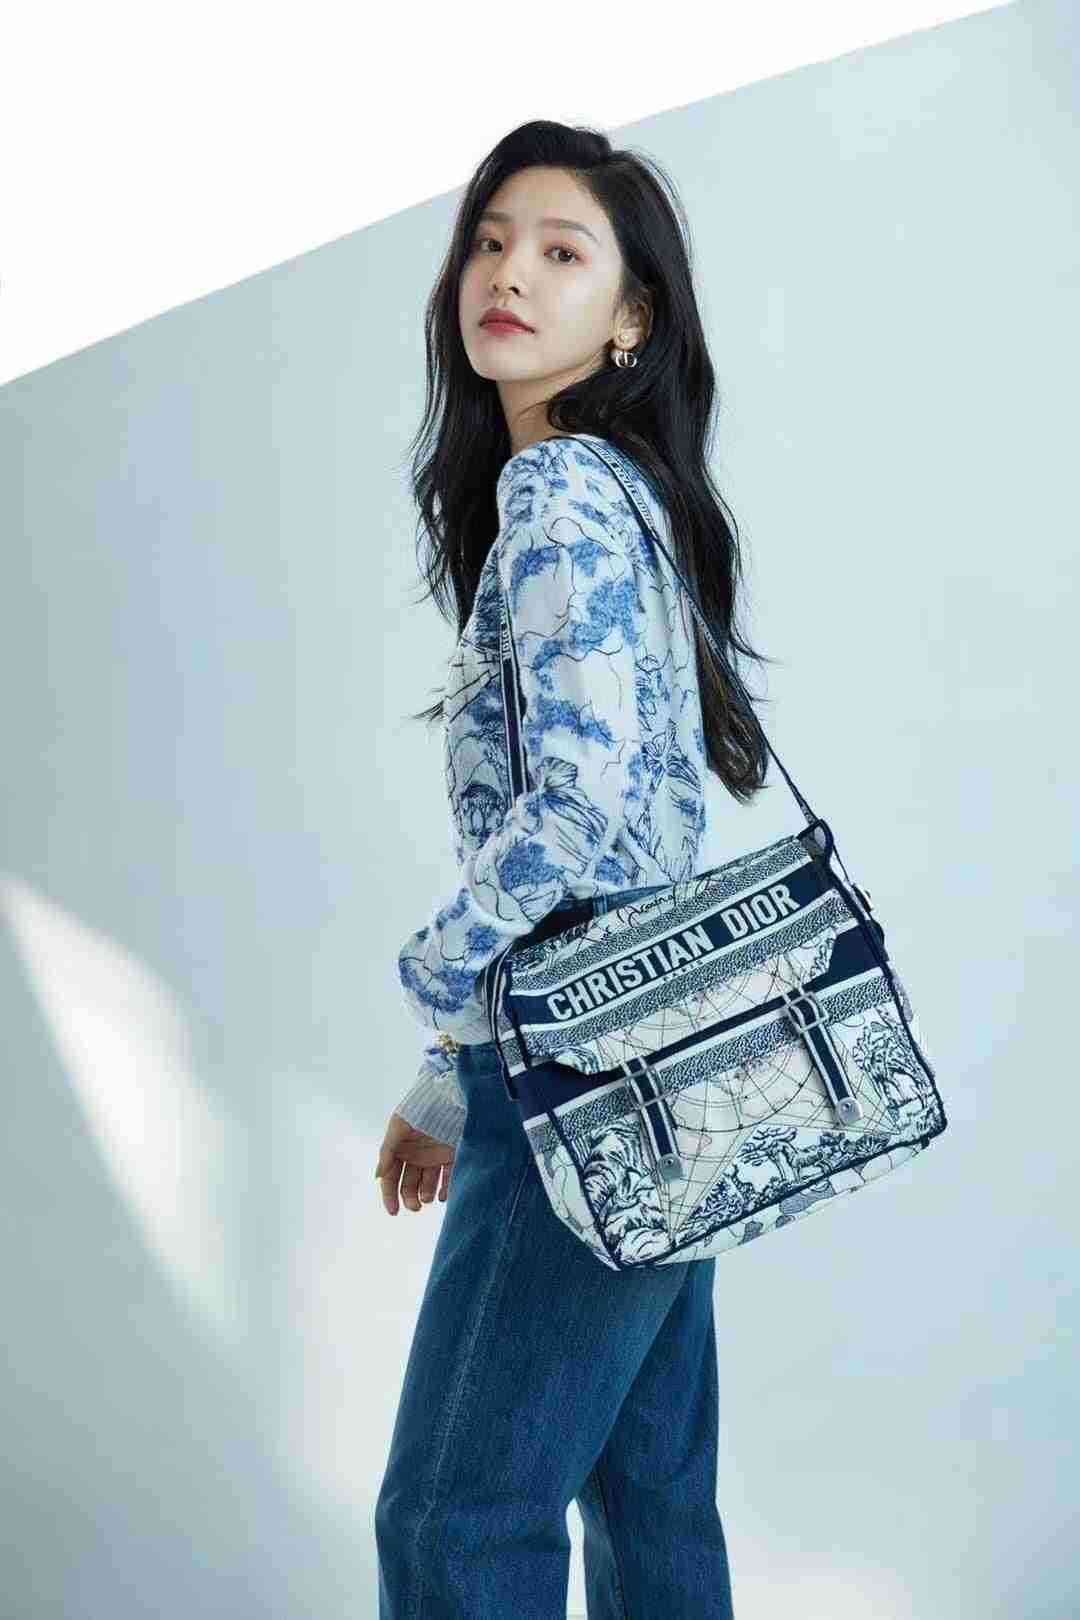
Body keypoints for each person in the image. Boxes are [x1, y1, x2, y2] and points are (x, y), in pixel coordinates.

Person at [374, 118, 775, 1619]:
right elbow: (643, 827)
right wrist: (444, 1075)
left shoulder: (554, 496)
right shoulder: (628, 494)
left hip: (576, 1075)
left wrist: (439, 986)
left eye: (560, 252)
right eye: (489, 243)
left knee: (455, 1520)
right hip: (669, 1058)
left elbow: (582, 813)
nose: (508, 275)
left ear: (629, 319)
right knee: (649, 1502)